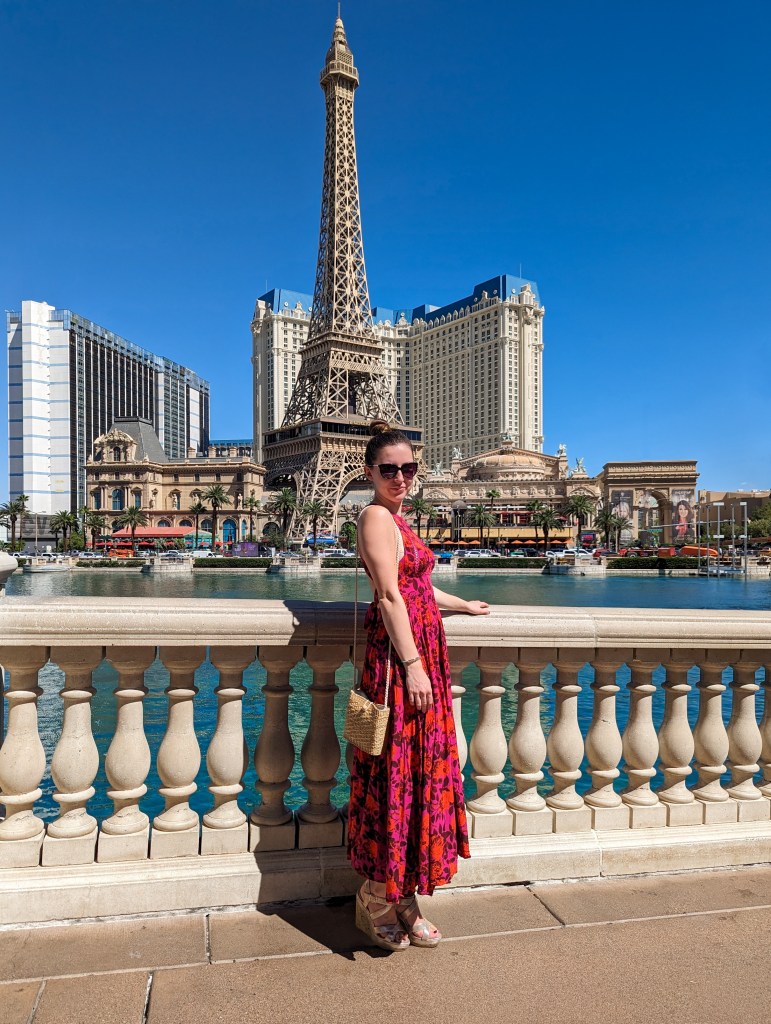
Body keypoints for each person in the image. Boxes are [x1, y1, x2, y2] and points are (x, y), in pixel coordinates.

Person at [348, 420, 489, 952]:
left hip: (421, 652)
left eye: (409, 468)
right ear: (369, 472)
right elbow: (388, 597)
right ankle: (376, 897)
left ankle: (403, 897)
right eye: (390, 469)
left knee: (416, 776)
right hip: (396, 664)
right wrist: (411, 664)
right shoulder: (375, 516)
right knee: (394, 774)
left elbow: (418, 588)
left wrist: (462, 605)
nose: (401, 477)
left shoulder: (400, 520)